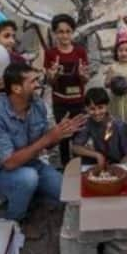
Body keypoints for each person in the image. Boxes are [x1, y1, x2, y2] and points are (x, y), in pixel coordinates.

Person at [0, 63, 87, 239]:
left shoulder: (37, 104)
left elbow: (45, 145)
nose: (38, 84)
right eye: (33, 81)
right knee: (28, 178)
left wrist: (59, 135)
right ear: (16, 88)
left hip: (33, 165)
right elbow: (9, 162)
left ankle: (29, 197)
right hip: (0, 174)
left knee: (67, 193)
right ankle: (16, 219)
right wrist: (47, 138)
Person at [44, 13, 90, 166]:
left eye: (68, 31)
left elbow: (85, 79)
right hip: (60, 102)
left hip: (78, 100)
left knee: (80, 135)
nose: (64, 35)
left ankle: (81, 166)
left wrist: (83, 75)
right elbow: (50, 81)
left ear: (73, 32)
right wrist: (53, 75)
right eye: (60, 32)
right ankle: (66, 167)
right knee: (63, 135)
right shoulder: (50, 54)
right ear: (55, 33)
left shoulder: (80, 52)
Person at [72, 87, 127, 166]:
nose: (97, 112)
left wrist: (116, 169)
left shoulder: (119, 126)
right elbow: (76, 147)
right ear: (86, 108)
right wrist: (97, 155)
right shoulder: (88, 122)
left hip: (121, 163)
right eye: (92, 109)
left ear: (107, 106)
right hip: (102, 161)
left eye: (100, 107)